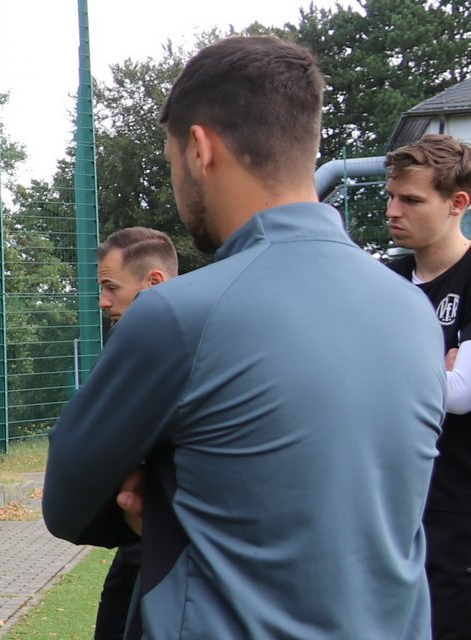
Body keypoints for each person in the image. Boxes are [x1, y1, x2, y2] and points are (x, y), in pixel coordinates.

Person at [40, 35, 439, 638]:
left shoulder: (179, 313)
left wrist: (173, 502)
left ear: (199, 148)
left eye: (171, 161)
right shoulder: (414, 312)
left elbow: (69, 501)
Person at [382, 134, 471, 639]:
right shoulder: (382, 280)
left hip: (455, 509)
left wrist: (384, 369)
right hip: (383, 506)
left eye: (411, 200)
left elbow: (461, 396)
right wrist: (437, 368)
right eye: (391, 196)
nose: (395, 211)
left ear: (458, 203)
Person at [89, 227, 179, 640]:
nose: (103, 300)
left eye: (111, 287)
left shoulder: (197, 343)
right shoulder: (128, 347)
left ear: (153, 282)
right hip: (139, 538)